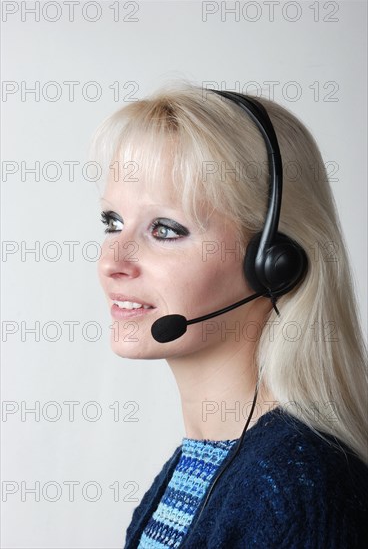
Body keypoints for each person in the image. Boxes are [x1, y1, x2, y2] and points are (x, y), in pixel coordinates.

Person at [89, 81, 368, 548]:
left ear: (273, 262)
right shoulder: (206, 462)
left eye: (166, 229)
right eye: (112, 221)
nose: (111, 260)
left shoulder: (299, 489)